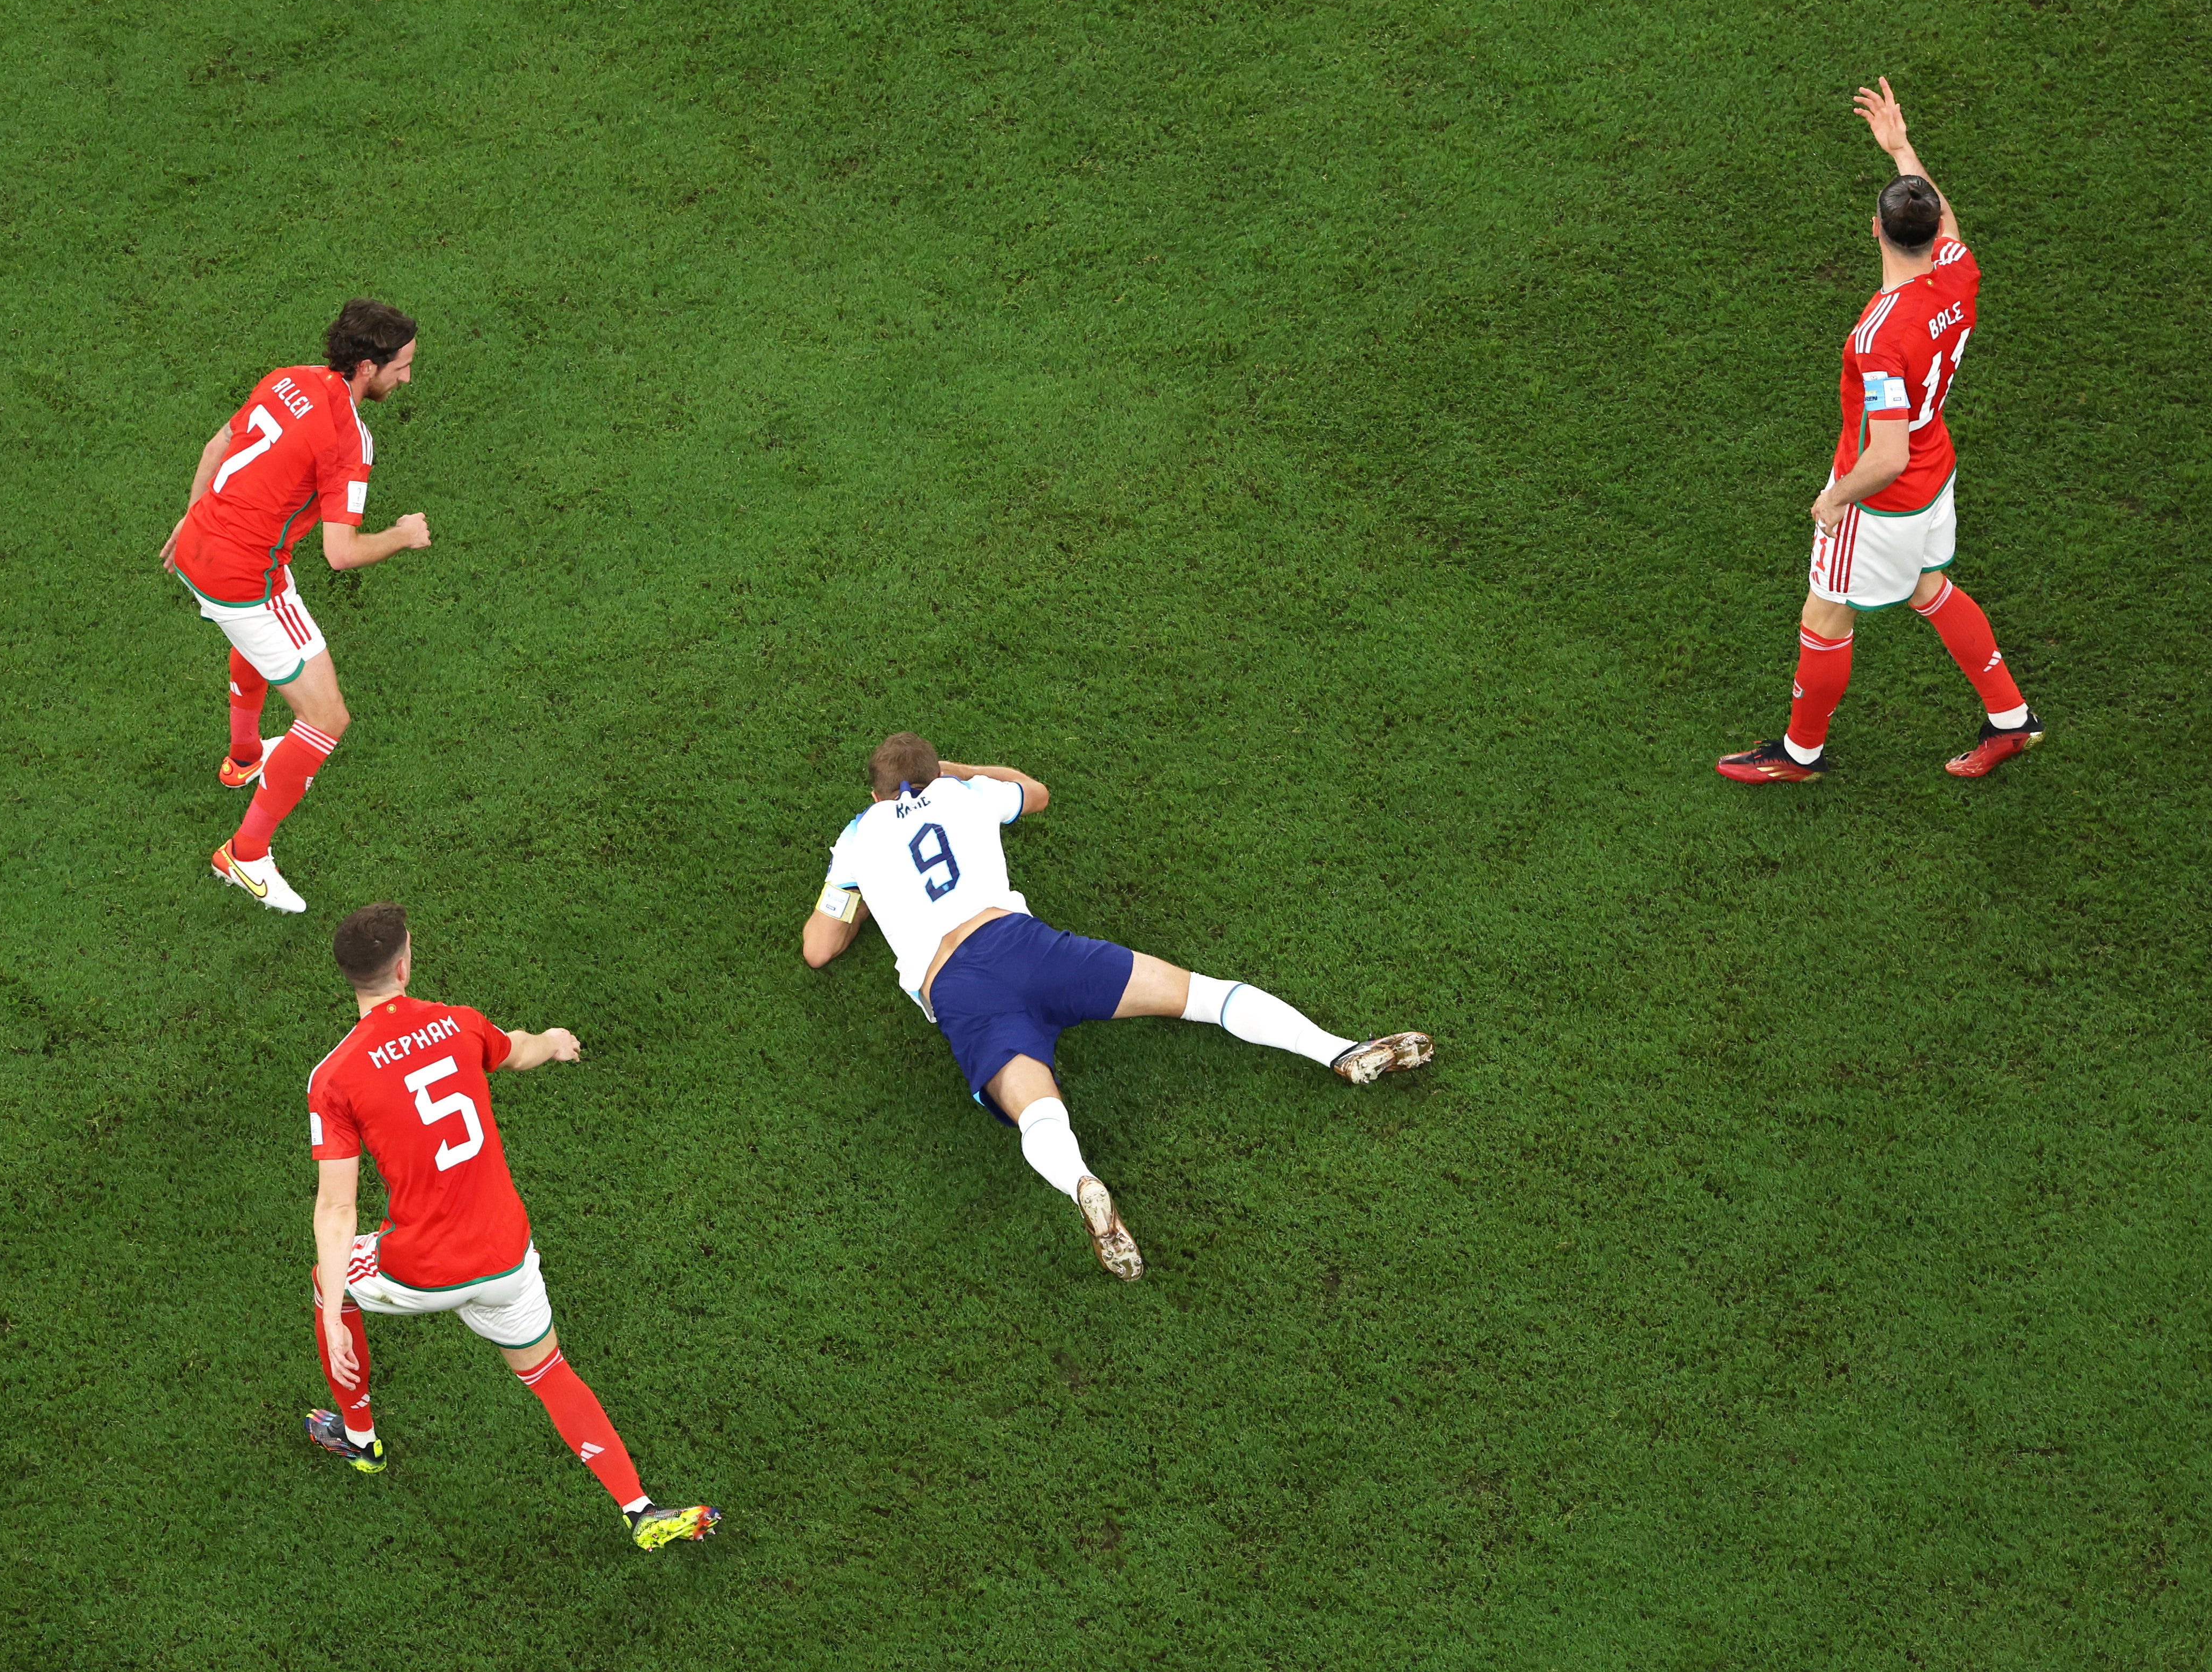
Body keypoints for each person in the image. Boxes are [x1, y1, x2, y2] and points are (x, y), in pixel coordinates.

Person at [802, 733, 1432, 1281]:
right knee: (1198, 996)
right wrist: (951, 774)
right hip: (1028, 947)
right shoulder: (964, 794)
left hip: (962, 988)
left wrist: (859, 895)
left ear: (878, 795)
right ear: (935, 773)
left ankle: (1082, 1182)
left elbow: (818, 949)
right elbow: (1035, 791)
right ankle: (1338, 1051)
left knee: (1037, 1110)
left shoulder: (858, 838)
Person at [302, 903, 720, 1553]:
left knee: (329, 1281)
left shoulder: (333, 1078)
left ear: (349, 977)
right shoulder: (458, 1023)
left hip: (423, 1270)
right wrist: (553, 1042)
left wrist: (332, 1313)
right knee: (549, 1371)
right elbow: (517, 1050)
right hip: (506, 1258)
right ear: (405, 964)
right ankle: (639, 1508)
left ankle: (361, 1442)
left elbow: (336, 1209)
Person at [1718, 79, 2042, 784]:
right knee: (1927, 586)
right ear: (1929, 233)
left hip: (1883, 496)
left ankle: (1798, 753)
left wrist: (1836, 499)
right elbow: (1945, 222)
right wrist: (1901, 151)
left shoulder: (1877, 335)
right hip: (1935, 473)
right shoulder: (1955, 273)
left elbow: (1885, 450)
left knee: (1825, 612)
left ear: (1874, 229)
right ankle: (2011, 719)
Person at [160, 299, 435, 914]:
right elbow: (339, 553)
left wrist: (192, 516)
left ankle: (243, 758)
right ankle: (247, 853)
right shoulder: (349, 438)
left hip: (197, 545)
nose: (408, 379)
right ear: (367, 367)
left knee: (257, 644)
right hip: (245, 581)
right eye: (403, 367)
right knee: (327, 717)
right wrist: (401, 534)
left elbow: (217, 445)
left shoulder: (288, 378)